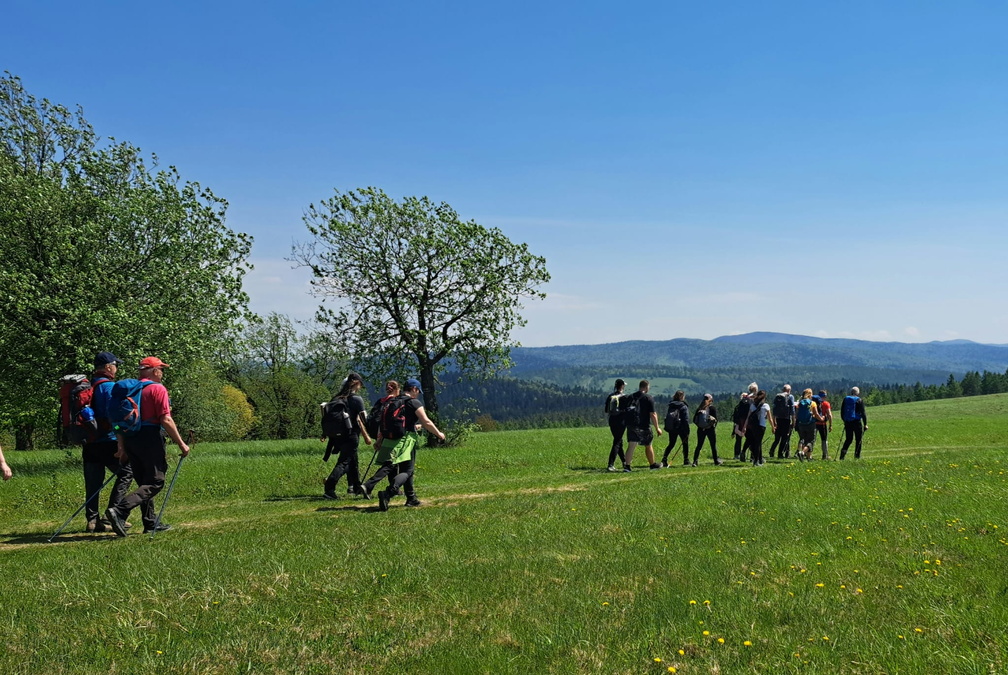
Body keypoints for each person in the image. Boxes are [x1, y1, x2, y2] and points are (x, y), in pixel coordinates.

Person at [105, 357, 190, 536]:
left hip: (130, 438)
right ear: (153, 370)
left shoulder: (130, 390)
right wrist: (181, 444)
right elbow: (165, 419)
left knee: (143, 481)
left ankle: (150, 522)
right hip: (150, 436)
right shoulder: (157, 389)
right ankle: (120, 510)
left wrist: (122, 446)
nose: (162, 372)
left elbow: (118, 422)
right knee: (155, 482)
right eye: (161, 369)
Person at [364, 378, 445, 511]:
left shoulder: (393, 401)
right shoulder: (413, 402)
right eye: (418, 391)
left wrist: (379, 440)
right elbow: (426, 422)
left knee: (404, 469)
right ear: (414, 389)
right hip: (407, 440)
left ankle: (411, 498)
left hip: (391, 439)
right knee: (408, 470)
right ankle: (388, 493)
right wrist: (439, 434)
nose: (418, 394)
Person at [83, 352, 134, 532]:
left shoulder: (87, 386)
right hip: (108, 440)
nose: (116, 368)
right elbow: (114, 417)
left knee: (93, 482)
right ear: (108, 367)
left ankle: (92, 520)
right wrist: (122, 438)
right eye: (115, 365)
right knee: (127, 473)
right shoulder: (109, 387)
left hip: (89, 442)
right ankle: (113, 513)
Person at [322, 373, 373, 500]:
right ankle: (329, 487)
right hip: (351, 435)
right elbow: (364, 418)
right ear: (356, 383)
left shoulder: (336, 397)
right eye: (360, 384)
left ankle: (356, 487)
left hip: (338, 436)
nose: (361, 386)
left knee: (353, 460)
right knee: (344, 462)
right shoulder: (356, 399)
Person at [623, 380, 662, 471]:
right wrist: (657, 428)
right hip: (644, 425)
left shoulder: (631, 397)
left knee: (631, 445)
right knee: (648, 444)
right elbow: (653, 414)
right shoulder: (648, 398)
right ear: (646, 387)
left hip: (631, 424)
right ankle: (652, 464)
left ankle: (627, 466)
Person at [660, 390, 690, 467]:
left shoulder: (671, 405)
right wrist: (687, 430)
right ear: (682, 397)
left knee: (671, 444)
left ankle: (664, 459)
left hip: (672, 427)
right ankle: (686, 460)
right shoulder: (683, 406)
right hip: (681, 427)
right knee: (685, 443)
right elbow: (686, 419)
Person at [745, 390, 775, 466]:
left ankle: (759, 459)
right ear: (764, 397)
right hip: (761, 426)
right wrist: (773, 427)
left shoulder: (752, 405)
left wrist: (745, 427)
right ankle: (756, 461)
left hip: (753, 426)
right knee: (758, 443)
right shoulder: (766, 406)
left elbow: (748, 417)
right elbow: (770, 418)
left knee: (757, 442)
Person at [691, 393, 721, 466]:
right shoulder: (712, 408)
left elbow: (694, 420)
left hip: (701, 429)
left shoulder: (699, 408)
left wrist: (700, 426)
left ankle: (695, 461)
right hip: (710, 429)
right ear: (711, 400)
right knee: (713, 446)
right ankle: (716, 461)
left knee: (699, 445)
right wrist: (712, 427)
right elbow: (716, 419)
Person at [839, 387, 869, 460]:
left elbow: (842, 411)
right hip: (857, 422)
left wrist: (845, 420)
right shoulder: (859, 400)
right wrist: (865, 424)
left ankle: (842, 454)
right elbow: (863, 413)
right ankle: (857, 456)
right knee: (858, 439)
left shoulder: (846, 399)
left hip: (848, 422)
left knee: (848, 439)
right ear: (857, 393)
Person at [794, 388, 824, 460]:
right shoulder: (812, 403)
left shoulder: (800, 403)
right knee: (811, 441)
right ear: (810, 394)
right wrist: (821, 419)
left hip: (801, 424)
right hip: (810, 424)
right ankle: (802, 452)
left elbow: (796, 414)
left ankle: (807, 457)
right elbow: (816, 414)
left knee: (803, 439)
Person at [767, 384, 796, 459]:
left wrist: (774, 421)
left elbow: (774, 410)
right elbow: (792, 410)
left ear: (783, 390)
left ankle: (772, 451)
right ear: (789, 390)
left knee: (777, 438)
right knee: (785, 437)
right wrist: (793, 421)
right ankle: (781, 454)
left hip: (778, 419)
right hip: (786, 420)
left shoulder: (778, 397)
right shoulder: (790, 397)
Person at [604, 379, 627, 472]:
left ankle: (624, 462)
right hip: (621, 421)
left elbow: (606, 410)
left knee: (618, 441)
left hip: (612, 420)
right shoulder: (624, 397)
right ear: (622, 386)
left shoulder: (610, 396)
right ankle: (610, 464)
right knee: (617, 441)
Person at [815, 390, 834, 460]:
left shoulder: (814, 403)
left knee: (812, 440)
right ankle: (825, 455)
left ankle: (808, 454)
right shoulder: (826, 404)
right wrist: (830, 425)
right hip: (822, 424)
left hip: (814, 423)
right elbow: (829, 415)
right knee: (824, 439)